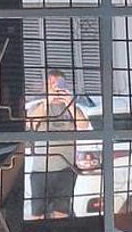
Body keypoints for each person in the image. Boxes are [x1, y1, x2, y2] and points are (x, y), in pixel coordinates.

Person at [26, 69, 90, 220]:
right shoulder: (38, 106)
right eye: (51, 83)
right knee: (37, 214)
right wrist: (48, 101)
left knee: (62, 213)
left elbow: (84, 125)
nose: (55, 87)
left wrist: (70, 103)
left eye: (58, 83)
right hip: (41, 170)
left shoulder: (71, 107)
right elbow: (31, 122)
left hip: (66, 169)